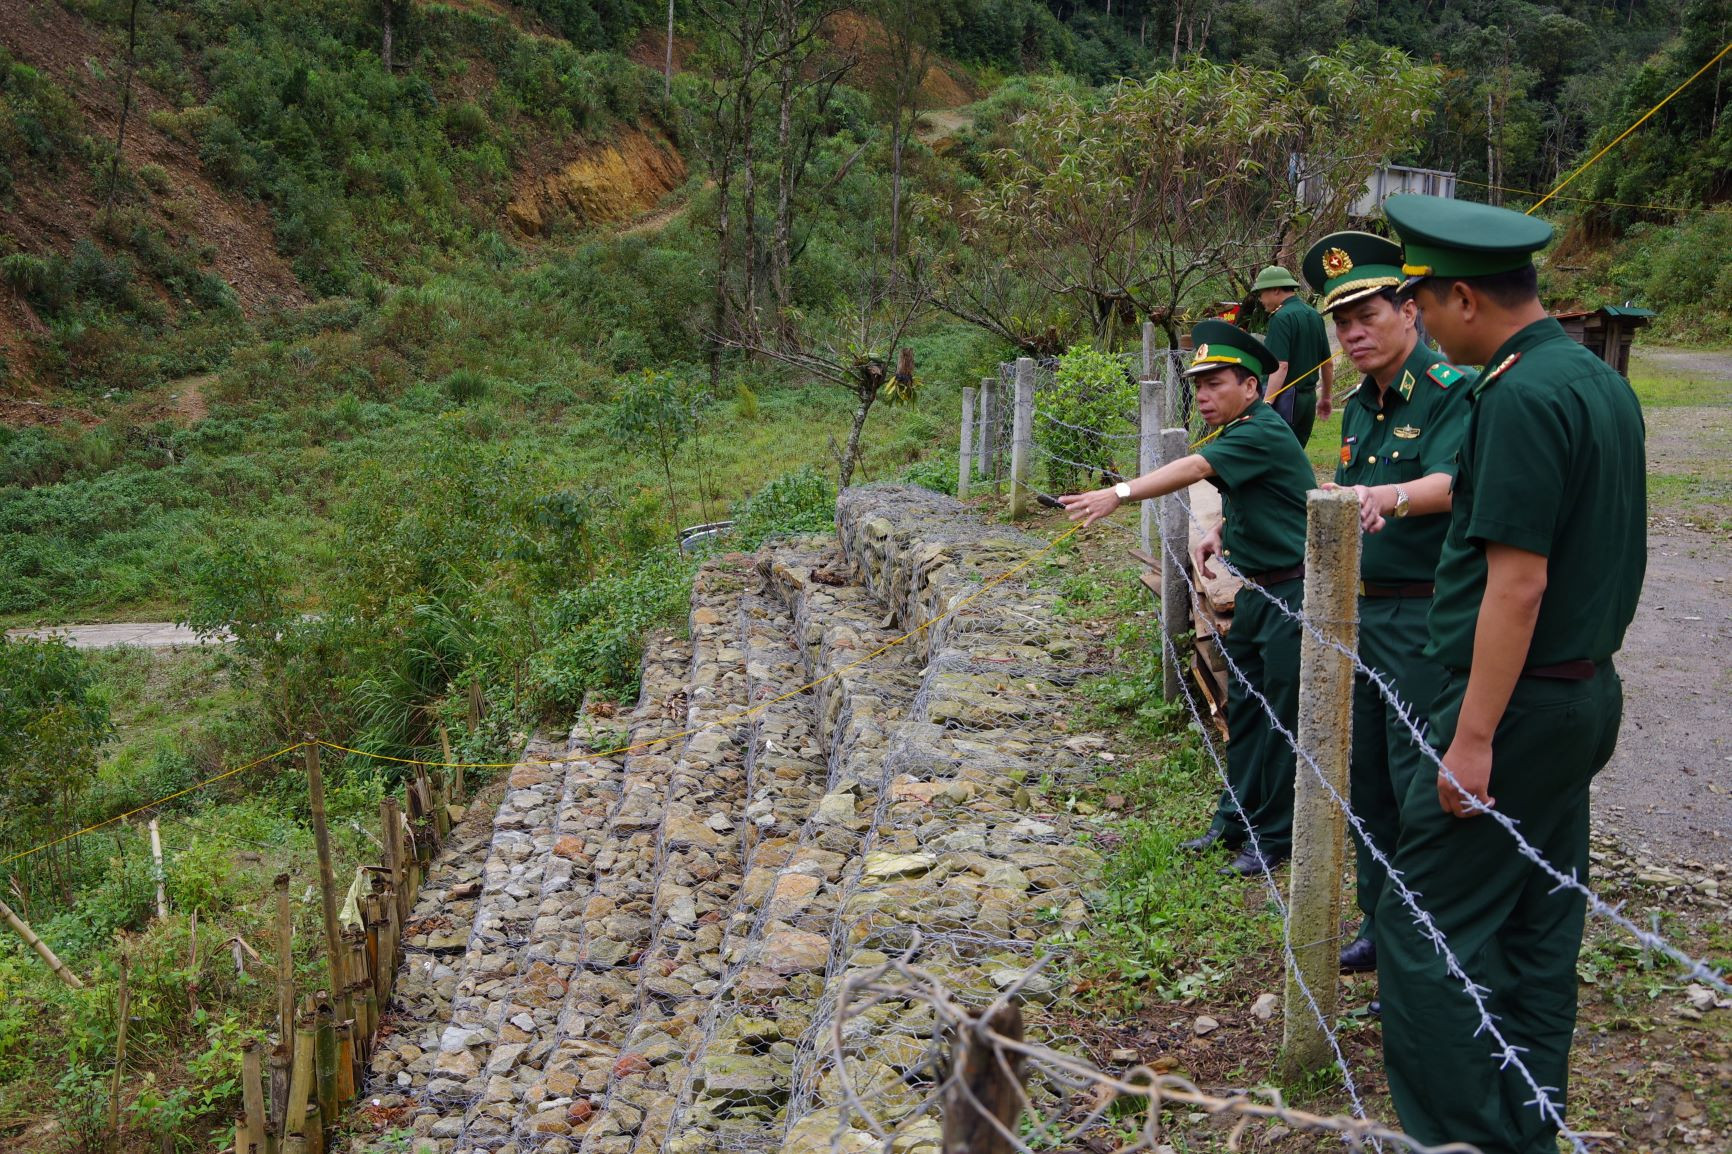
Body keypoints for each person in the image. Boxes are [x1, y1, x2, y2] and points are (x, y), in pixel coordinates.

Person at [1377, 194, 1646, 1154]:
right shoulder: (1594, 379)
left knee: (1426, 930)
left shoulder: (1521, 395)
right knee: (1538, 915)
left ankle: (1460, 1138)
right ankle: (1531, 1121)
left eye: (1420, 305)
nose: (1418, 323)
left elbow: (1519, 585)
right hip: (1580, 694)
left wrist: (1472, 738)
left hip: (1514, 703)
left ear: (1458, 297)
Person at [1061, 320, 1315, 876]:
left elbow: (1197, 468)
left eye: (1216, 382)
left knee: (1278, 724)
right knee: (1245, 712)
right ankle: (1233, 821)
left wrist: (1119, 492)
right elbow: (1266, 494)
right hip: (1257, 591)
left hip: (1293, 596)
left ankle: (1271, 839)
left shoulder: (1262, 430)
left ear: (1250, 387)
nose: (1202, 394)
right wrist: (1221, 529)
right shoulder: (1243, 431)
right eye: (1197, 384)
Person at [1298, 231, 1473, 980]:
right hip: (1360, 612)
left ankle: (1423, 946)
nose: (1353, 332)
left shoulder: (1448, 391)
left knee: (1415, 784)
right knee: (1364, 776)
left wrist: (1384, 497)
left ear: (1409, 309)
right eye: (1341, 321)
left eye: (1367, 312)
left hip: (1422, 616)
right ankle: (1381, 922)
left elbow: (1451, 483)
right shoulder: (1363, 406)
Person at [1253, 264, 1335, 446]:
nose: (1260, 299)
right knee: (1295, 453)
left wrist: (1266, 404)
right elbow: (1328, 364)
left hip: (1286, 399)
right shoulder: (1314, 316)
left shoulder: (1281, 318)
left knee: (1274, 454)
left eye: (1261, 293)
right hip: (1307, 400)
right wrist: (1326, 397)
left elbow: (1280, 366)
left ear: (1275, 290)